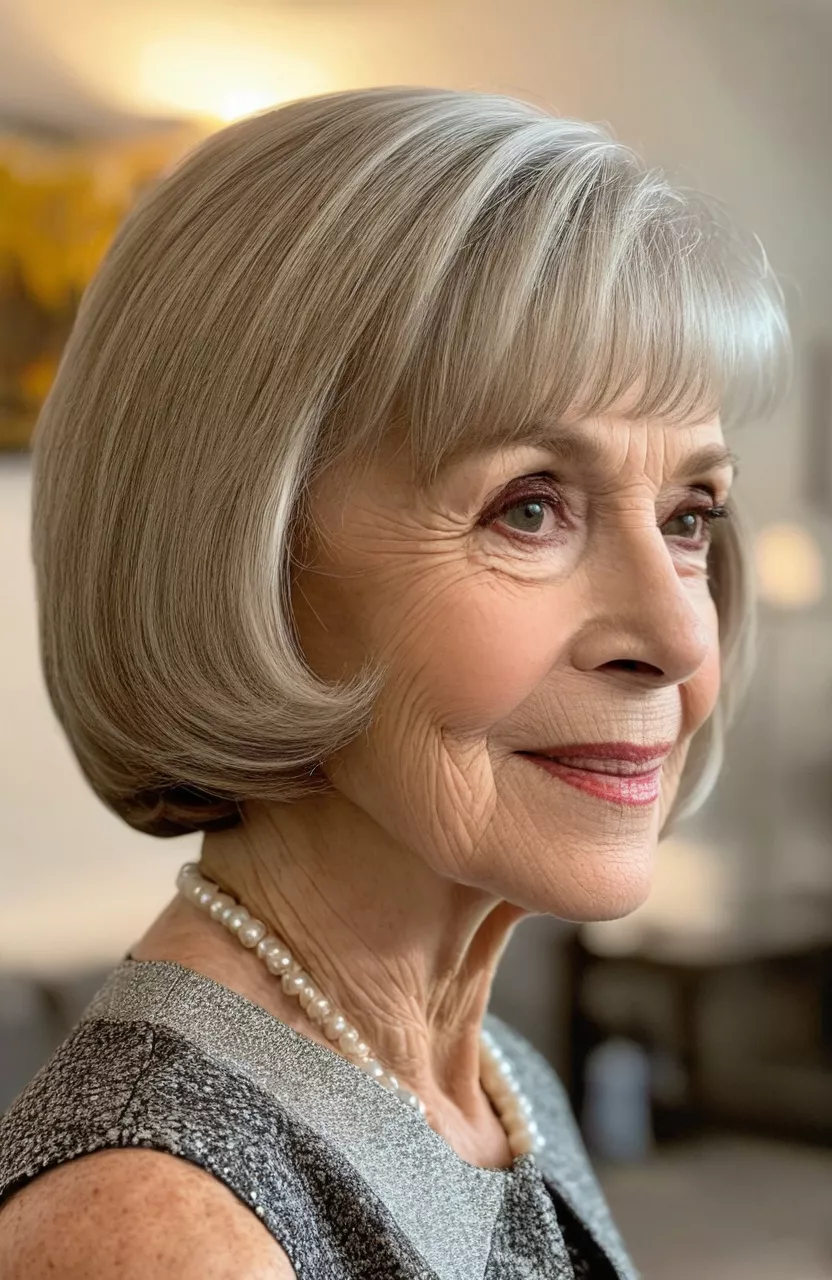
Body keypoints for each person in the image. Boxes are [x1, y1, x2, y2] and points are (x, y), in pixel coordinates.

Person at [0, 85, 789, 1278]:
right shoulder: (161, 1231)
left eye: (690, 514)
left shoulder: (499, 1084)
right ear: (245, 558)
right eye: (528, 507)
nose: (679, 633)